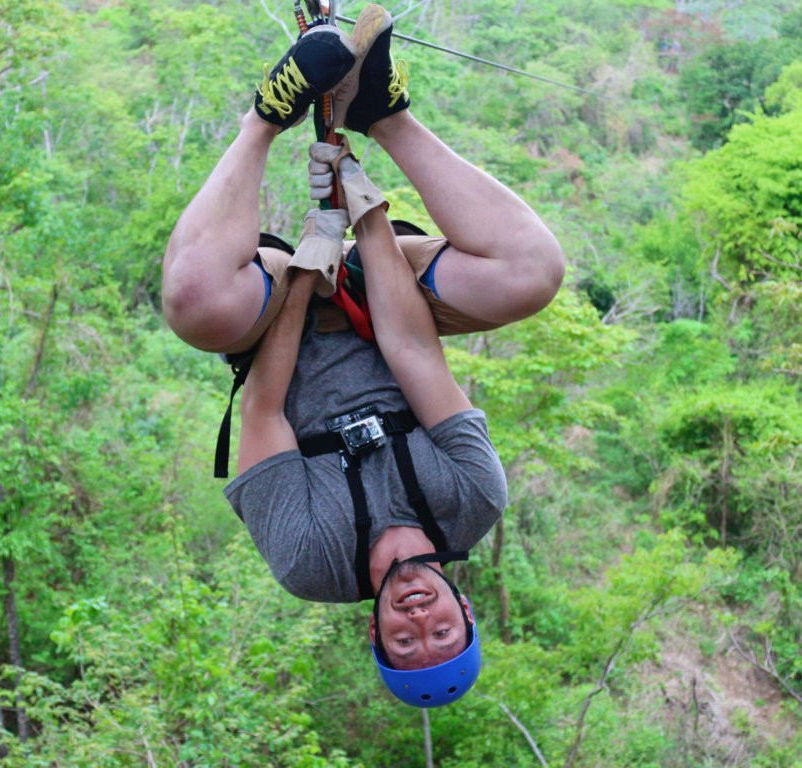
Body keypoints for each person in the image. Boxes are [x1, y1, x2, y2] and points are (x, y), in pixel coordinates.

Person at [161, 4, 564, 707]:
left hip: (276, 330)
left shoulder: (310, 561)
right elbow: (413, 352)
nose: (419, 621)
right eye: (443, 632)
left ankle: (264, 116)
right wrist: (361, 206)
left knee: (194, 303)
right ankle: (382, 113)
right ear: (464, 613)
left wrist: (310, 257)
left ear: (374, 635)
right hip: (382, 301)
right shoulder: (472, 500)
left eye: (406, 644)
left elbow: (261, 406)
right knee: (534, 272)